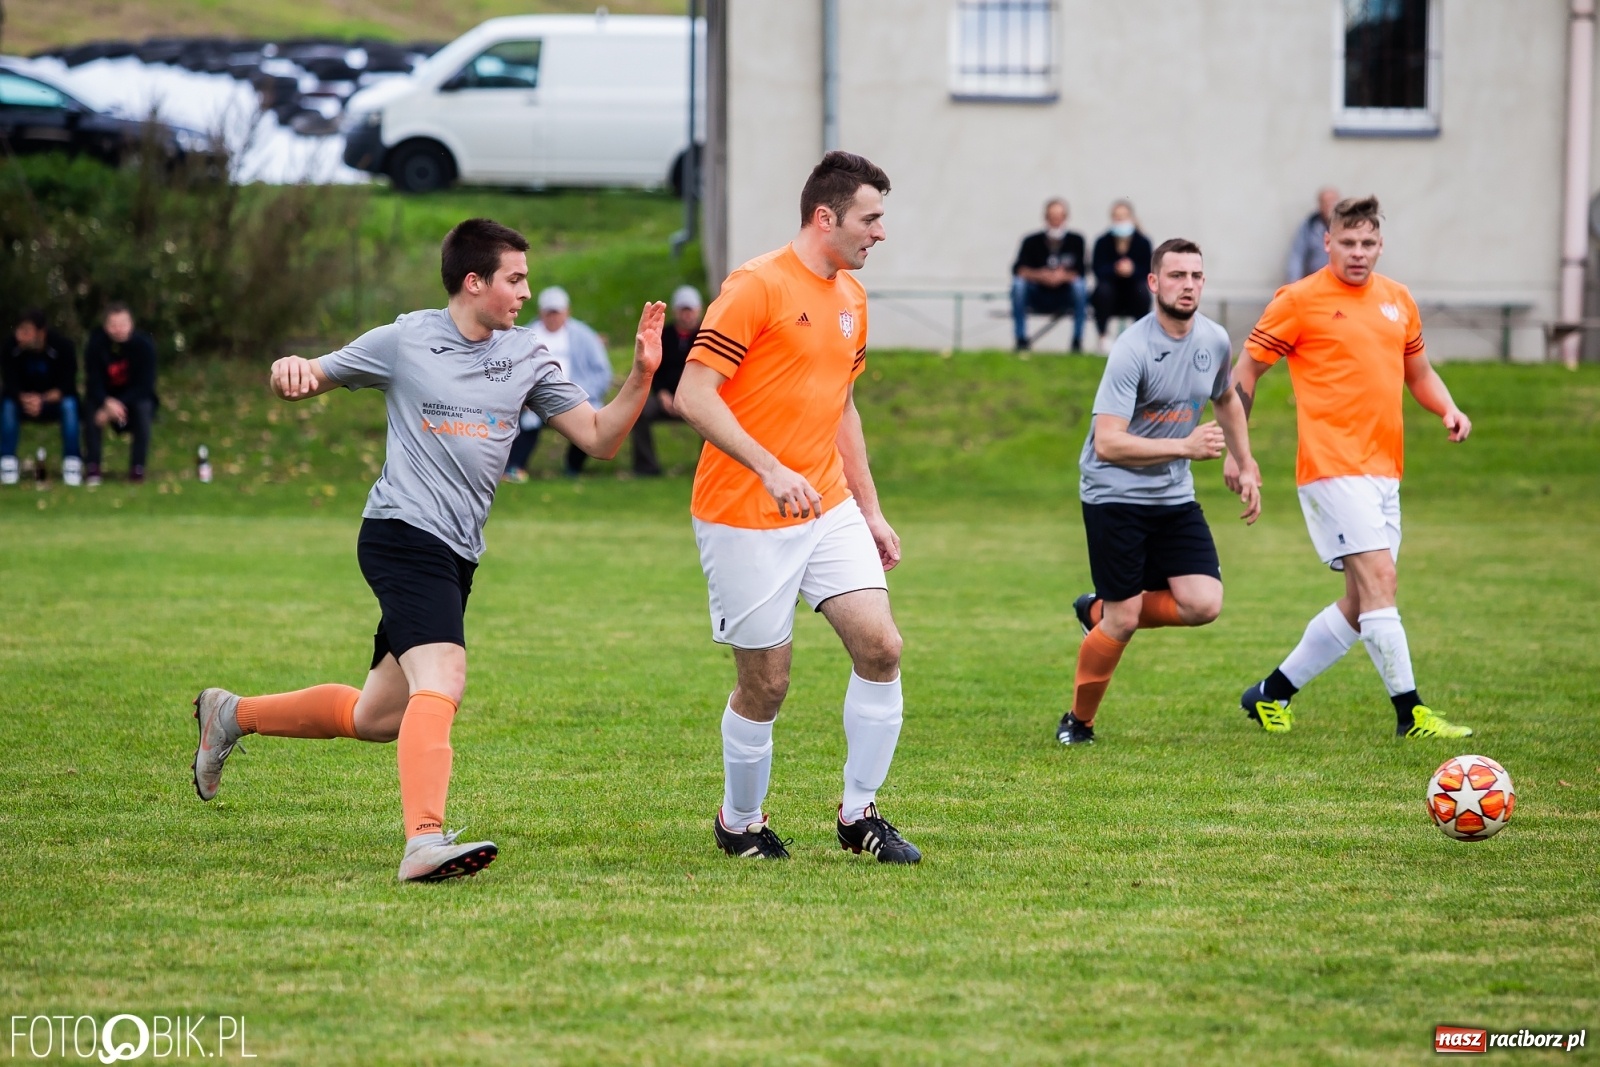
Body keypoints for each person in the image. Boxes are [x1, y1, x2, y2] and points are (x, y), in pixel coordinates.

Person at [189, 218, 666, 882]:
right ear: (474, 282)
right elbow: (307, 375)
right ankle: (424, 840)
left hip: (456, 552)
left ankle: (230, 714)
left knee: (377, 714)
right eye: (515, 279)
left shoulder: (526, 355)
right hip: (400, 534)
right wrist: (288, 371)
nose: (526, 293)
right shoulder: (404, 339)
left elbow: (599, 437)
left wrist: (642, 375)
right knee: (444, 677)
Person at [675, 150, 921, 864]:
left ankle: (858, 813)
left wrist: (870, 510)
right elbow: (694, 394)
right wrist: (770, 467)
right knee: (767, 683)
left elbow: (842, 407)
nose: (880, 232)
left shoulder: (852, 296)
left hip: (827, 504)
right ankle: (740, 820)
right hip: (742, 513)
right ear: (826, 216)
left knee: (882, 646)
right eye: (870, 218)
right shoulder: (756, 286)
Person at [1229, 196, 1474, 739]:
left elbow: (1420, 372)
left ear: (1380, 245)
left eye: (1367, 243)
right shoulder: (1298, 300)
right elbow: (1245, 372)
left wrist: (1448, 407)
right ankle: (1411, 714)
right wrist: (1236, 448)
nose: (1358, 253)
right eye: (1347, 243)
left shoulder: (1398, 300)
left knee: (1363, 600)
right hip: (1332, 466)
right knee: (1381, 582)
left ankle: (1271, 693)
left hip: (1385, 469)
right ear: (1328, 242)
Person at [1058, 239, 1261, 745]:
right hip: (1114, 494)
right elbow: (1107, 443)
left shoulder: (1214, 341)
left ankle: (1096, 612)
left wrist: (1244, 461)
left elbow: (1227, 400)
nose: (1187, 285)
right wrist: (1186, 446)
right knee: (1124, 620)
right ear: (1154, 283)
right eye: (1176, 276)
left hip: (1172, 496)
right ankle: (1078, 721)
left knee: (1203, 603)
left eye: (1195, 275)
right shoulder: (1132, 349)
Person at [503, 286, 615, 480]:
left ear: (567, 312)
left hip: (578, 396)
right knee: (528, 421)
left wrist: (581, 396)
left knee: (592, 419)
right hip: (535, 398)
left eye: (557, 312)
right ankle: (515, 467)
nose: (553, 317)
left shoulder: (584, 336)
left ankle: (573, 467)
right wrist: (525, 397)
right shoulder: (527, 335)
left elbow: (602, 373)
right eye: (549, 313)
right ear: (541, 313)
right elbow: (513, 371)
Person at [1, 310, 82, 486]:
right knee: (7, 405)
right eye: (19, 330)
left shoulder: (62, 347)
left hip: (53, 403)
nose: (20, 335)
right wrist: (25, 399)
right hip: (23, 403)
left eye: (26, 331)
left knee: (70, 405)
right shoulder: (11, 348)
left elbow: (67, 385)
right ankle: (7, 462)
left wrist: (43, 399)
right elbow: (9, 384)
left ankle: (72, 462)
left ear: (41, 332)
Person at [82, 302, 159, 487]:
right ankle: (93, 467)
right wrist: (107, 403)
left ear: (131, 324)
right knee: (90, 409)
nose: (119, 329)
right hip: (104, 398)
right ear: (106, 326)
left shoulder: (144, 346)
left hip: (133, 398)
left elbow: (145, 386)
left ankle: (137, 468)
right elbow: (93, 381)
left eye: (123, 324)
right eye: (113, 325)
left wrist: (117, 405)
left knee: (144, 408)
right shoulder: (95, 345)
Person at [630, 284, 699, 476]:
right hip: (665, 396)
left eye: (690, 310)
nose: (687, 315)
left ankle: (706, 467)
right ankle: (646, 467)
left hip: (695, 397)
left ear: (698, 310)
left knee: (714, 415)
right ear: (676, 311)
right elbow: (654, 369)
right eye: (683, 310)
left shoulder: (706, 335)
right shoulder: (664, 335)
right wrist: (662, 395)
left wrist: (687, 396)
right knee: (638, 411)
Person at [1010, 197, 1088, 352]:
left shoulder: (1076, 240)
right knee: (1018, 285)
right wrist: (1041, 275)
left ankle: (1077, 341)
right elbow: (1018, 268)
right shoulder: (1031, 241)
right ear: (1046, 218)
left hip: (1064, 294)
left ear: (1065, 217)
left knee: (1080, 286)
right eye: (1052, 217)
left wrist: (1062, 277)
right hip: (1038, 294)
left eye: (1059, 217)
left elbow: (1082, 270)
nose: (1056, 221)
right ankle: (1020, 339)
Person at [1090, 200, 1153, 350]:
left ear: (1131, 218)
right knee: (1102, 291)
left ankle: (1142, 337)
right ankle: (1103, 336)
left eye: (1124, 217)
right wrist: (1115, 269)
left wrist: (1132, 271)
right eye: (1117, 217)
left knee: (1142, 292)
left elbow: (1147, 270)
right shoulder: (1102, 242)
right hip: (1110, 293)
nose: (1120, 221)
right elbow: (1097, 269)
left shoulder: (1143, 242)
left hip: (1133, 292)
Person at [1285, 186, 1340, 282]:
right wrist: (1294, 282)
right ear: (1320, 205)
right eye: (1326, 202)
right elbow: (1297, 255)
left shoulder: (1348, 226)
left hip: (1341, 281)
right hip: (1315, 281)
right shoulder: (1310, 226)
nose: (1330, 206)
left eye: (1333, 202)